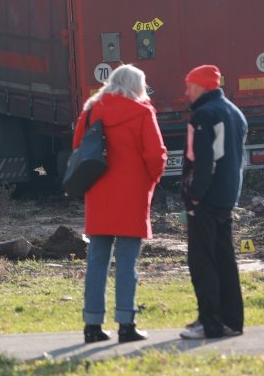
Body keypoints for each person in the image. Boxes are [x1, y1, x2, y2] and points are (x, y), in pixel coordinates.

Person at [73, 64, 167, 344]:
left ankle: (92, 325)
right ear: (136, 85)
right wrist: (151, 179)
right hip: (132, 195)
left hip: (99, 194)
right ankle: (126, 324)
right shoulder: (142, 112)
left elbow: (78, 147)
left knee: (97, 262)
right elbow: (156, 154)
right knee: (127, 263)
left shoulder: (91, 111)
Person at [178, 64, 247, 339]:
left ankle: (209, 322)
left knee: (202, 261)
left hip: (205, 199)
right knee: (225, 261)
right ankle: (231, 320)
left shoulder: (203, 116)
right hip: (227, 196)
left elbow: (203, 163)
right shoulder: (235, 112)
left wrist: (193, 195)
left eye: (189, 86)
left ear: (202, 86)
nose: (186, 92)